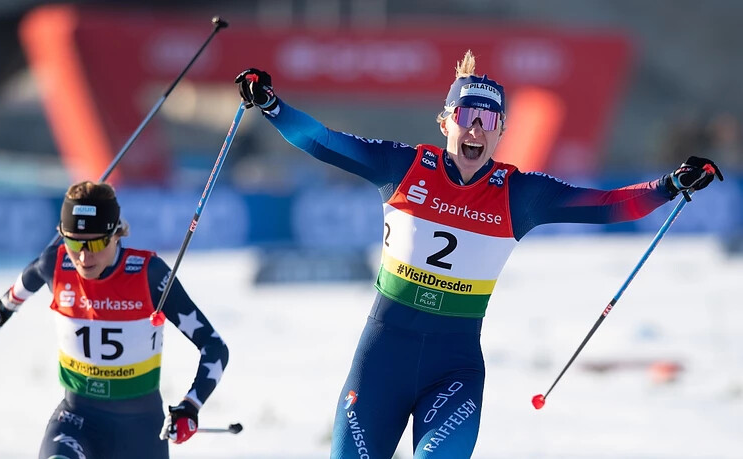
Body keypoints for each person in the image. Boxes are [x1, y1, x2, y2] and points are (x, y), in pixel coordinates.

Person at [234, 51, 723, 458]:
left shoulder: (519, 194)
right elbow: (323, 142)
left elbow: (607, 206)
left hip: (454, 369)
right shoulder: (402, 167)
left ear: (501, 130)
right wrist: (272, 105)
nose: (476, 130)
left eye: (488, 121)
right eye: (467, 116)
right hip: (382, 359)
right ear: (446, 120)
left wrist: (670, 184)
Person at [0, 181, 229, 459]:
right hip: (76, 420)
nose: (84, 256)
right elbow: (27, 281)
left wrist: (190, 405)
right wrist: (2, 309)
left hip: (140, 433)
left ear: (116, 234)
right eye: (73, 242)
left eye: (96, 242)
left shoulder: (149, 275)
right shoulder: (56, 264)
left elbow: (214, 346)